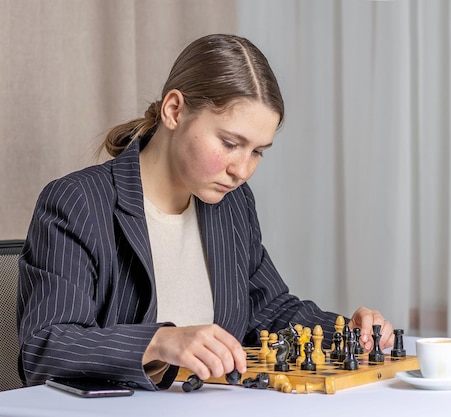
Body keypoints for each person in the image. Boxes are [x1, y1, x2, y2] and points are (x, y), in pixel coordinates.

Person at [17, 34, 394, 391]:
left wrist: (347, 331)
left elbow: (268, 309)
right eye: (231, 143)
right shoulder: (77, 201)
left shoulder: (232, 205)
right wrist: (159, 341)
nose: (242, 170)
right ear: (174, 110)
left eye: (258, 151)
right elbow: (45, 346)